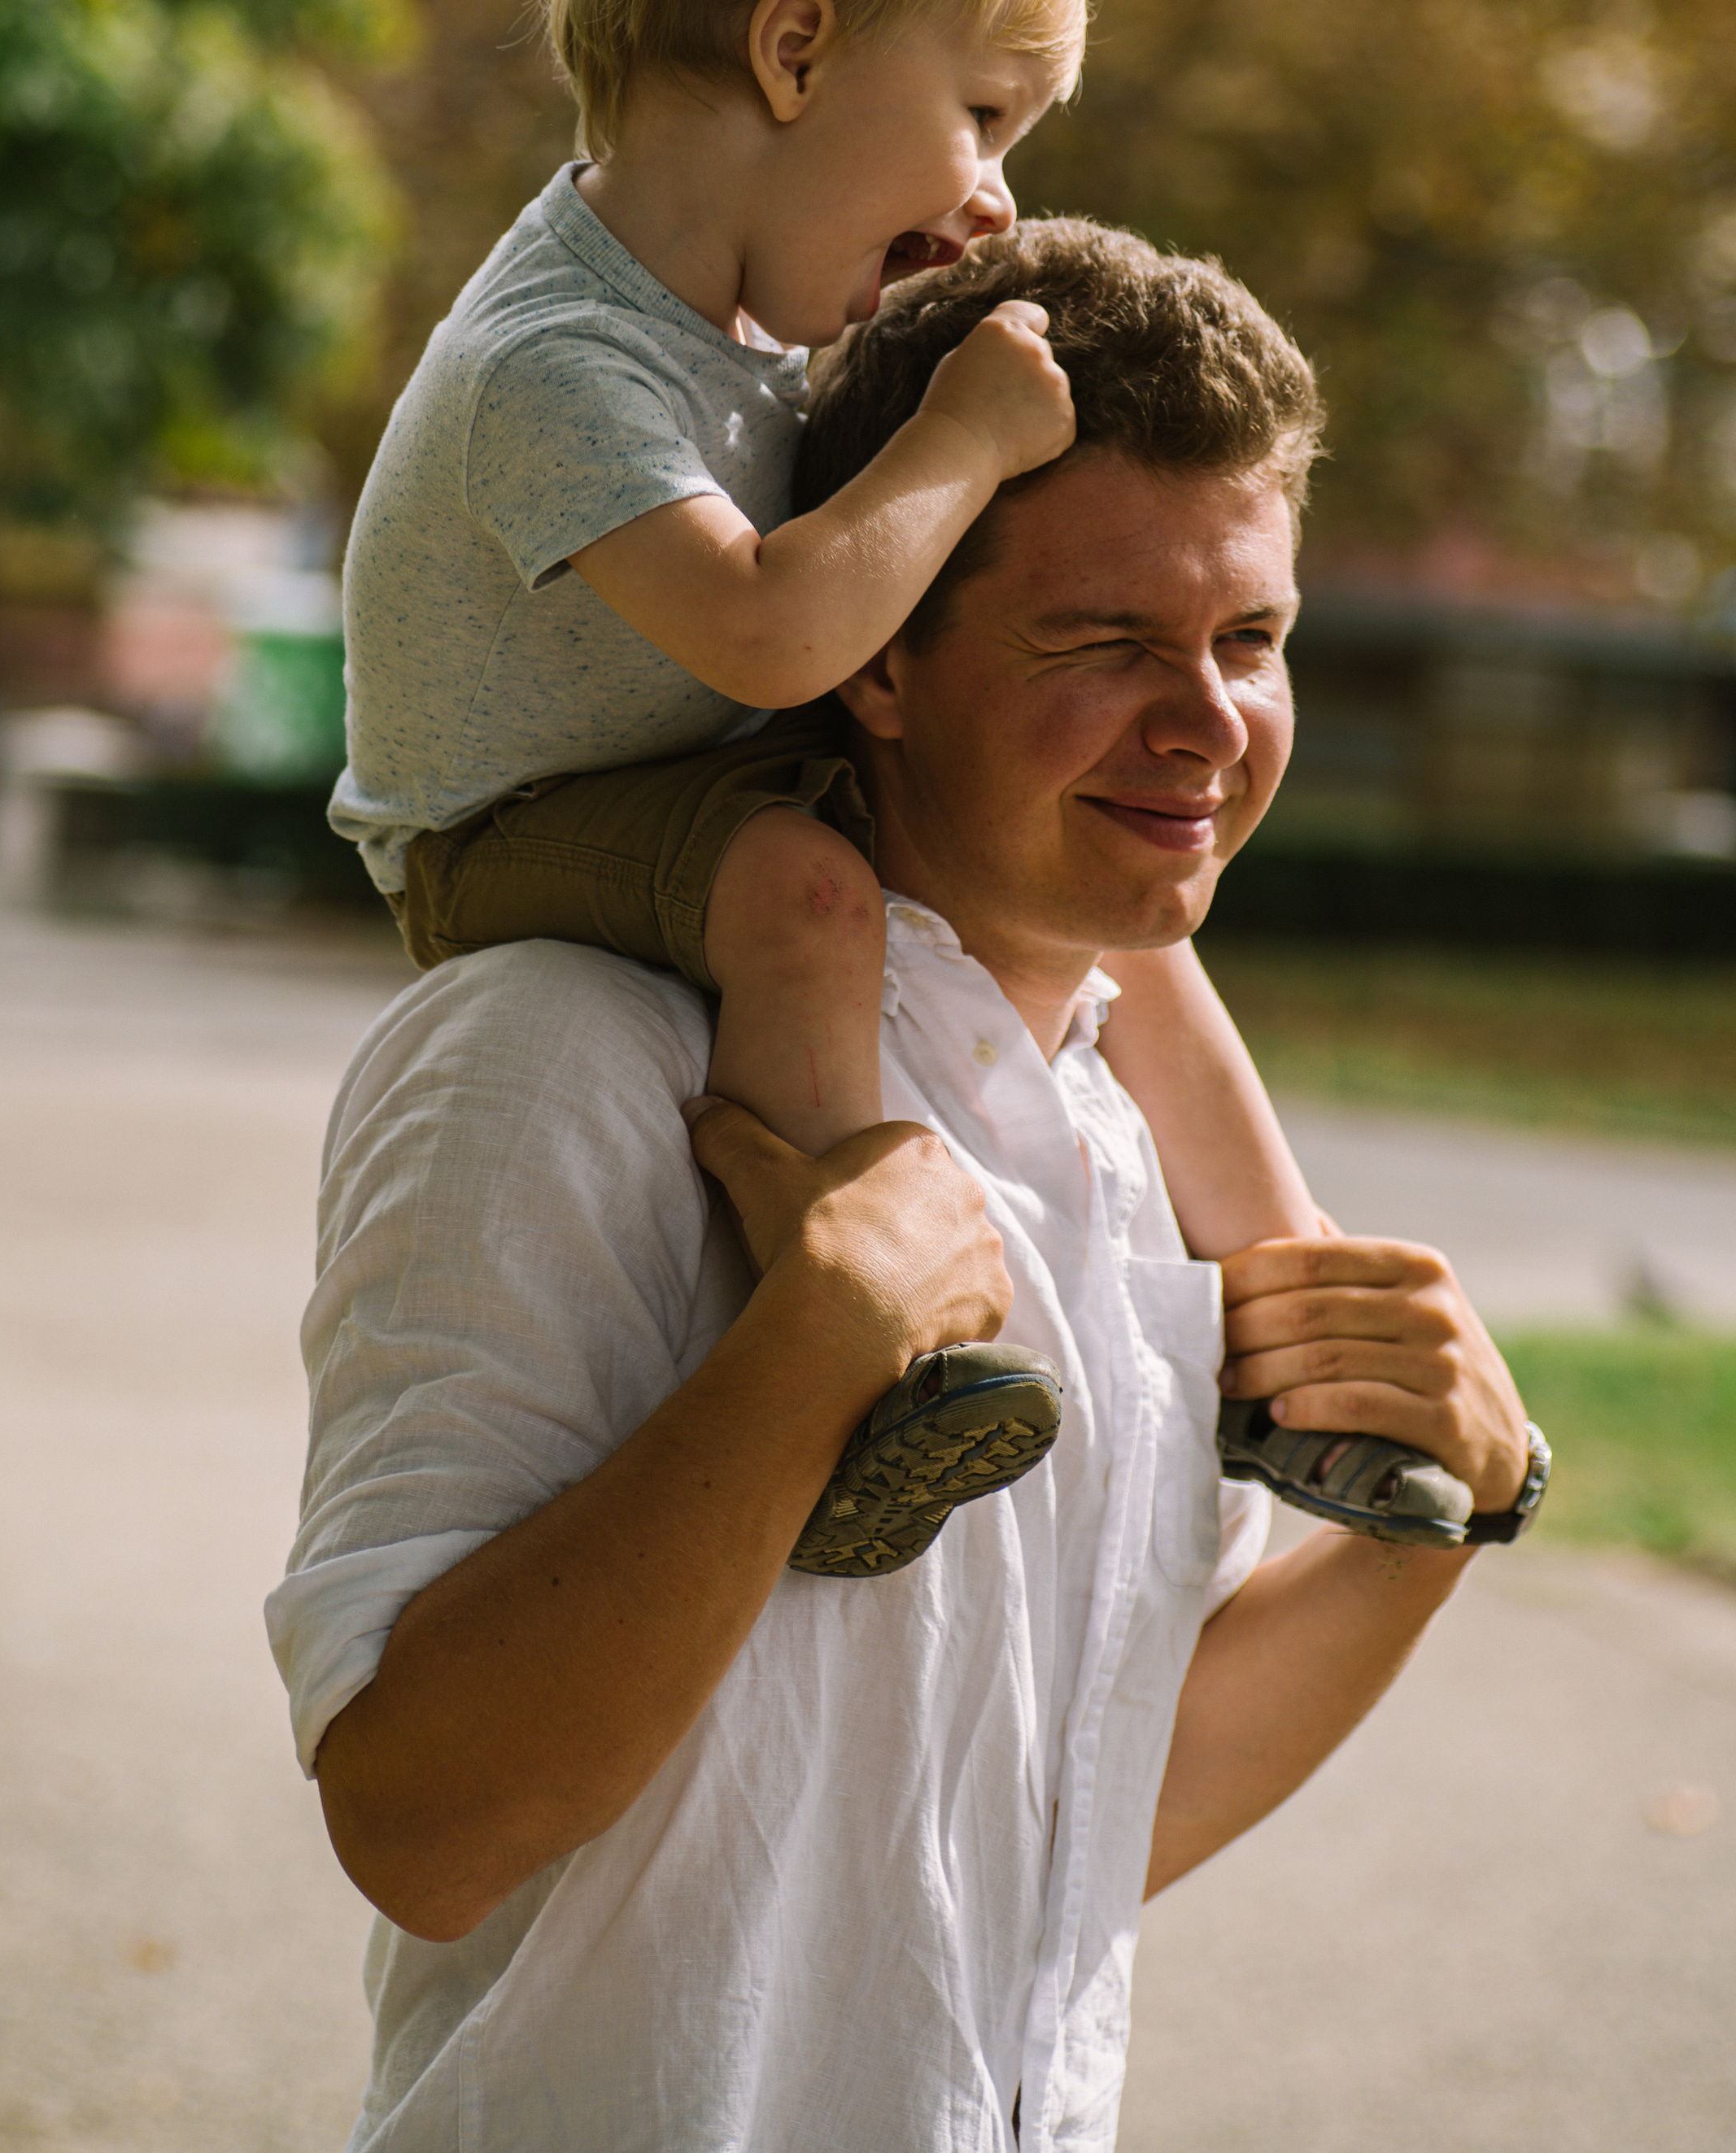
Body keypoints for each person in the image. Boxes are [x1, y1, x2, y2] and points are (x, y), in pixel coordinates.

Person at [268, 217, 1546, 2153]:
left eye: (1250, 639)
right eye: (1104, 642)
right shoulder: (560, 1059)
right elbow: (422, 1826)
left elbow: (1080, 1814)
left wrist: (1430, 1531)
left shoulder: (1131, 1143)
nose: (1206, 721)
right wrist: (811, 1356)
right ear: (873, 664)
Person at [329, 0, 1459, 1565]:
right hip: (501, 829)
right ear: (793, 53)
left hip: (675, 763)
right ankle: (861, 1327)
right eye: (984, 116)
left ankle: (1289, 1319)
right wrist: (952, 445)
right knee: (798, 888)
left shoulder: (736, 335)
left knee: (1116, 926)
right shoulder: (554, 361)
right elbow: (775, 636)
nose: (995, 193)